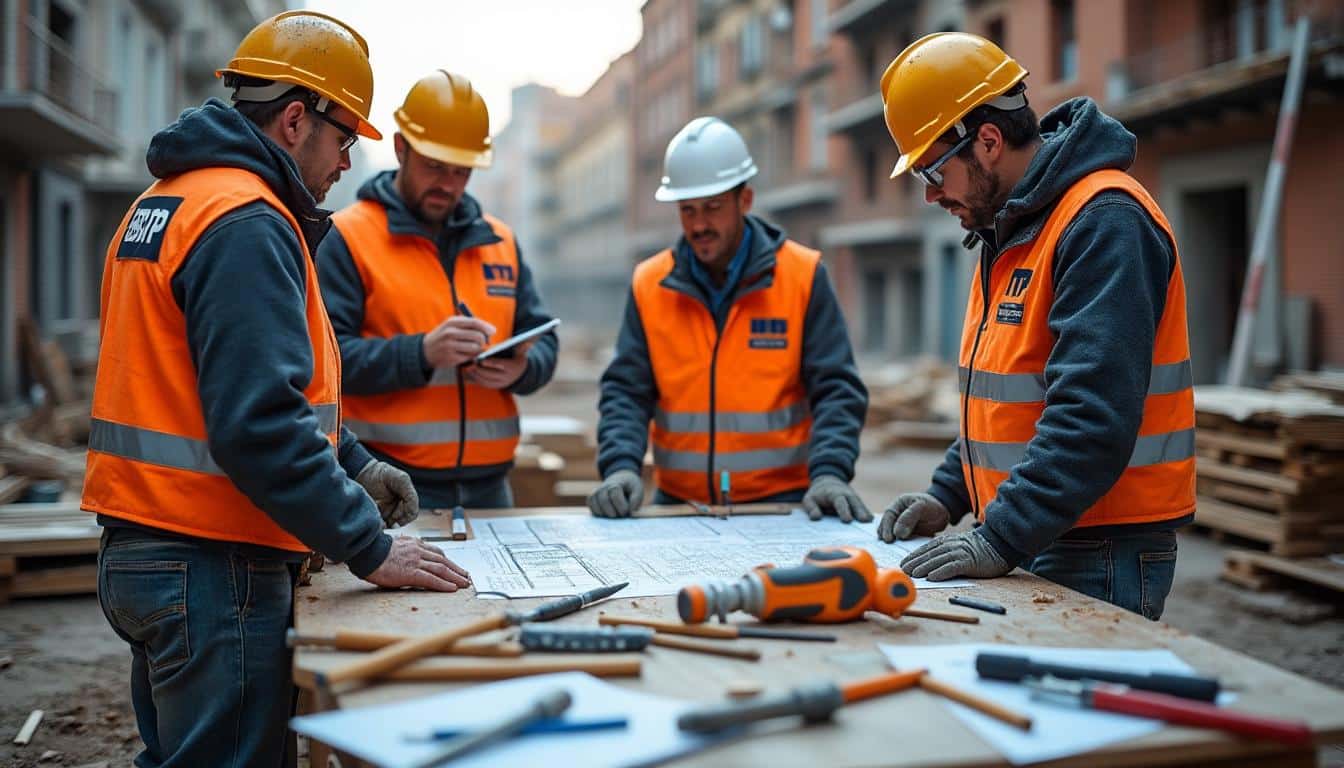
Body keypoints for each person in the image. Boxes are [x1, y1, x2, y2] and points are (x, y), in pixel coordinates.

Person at [83, 13, 469, 766]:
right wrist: (366, 543)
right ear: (297, 120)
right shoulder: (246, 223)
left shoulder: (166, 203)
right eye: (343, 137)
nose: (346, 160)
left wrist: (353, 464)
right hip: (211, 562)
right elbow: (257, 425)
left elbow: (220, 388)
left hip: (149, 551)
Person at [873, 33, 1194, 620]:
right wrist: (949, 493)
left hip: (1099, 547)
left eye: (933, 171)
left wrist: (997, 537)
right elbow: (1006, 401)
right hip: (1042, 531)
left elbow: (1090, 416)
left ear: (988, 141)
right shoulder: (1009, 232)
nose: (930, 195)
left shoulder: (1104, 222)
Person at [591, 117, 869, 520]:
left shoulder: (802, 276)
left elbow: (837, 390)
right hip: (679, 506)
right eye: (687, 210)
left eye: (713, 208)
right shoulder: (650, 283)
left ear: (745, 200)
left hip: (785, 505)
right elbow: (626, 391)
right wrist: (620, 467)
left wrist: (830, 473)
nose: (700, 224)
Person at [318, 70, 557, 511]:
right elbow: (326, 366)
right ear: (401, 148)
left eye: (461, 171)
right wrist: (422, 353)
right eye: (434, 166)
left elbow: (544, 339)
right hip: (391, 487)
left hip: (492, 490)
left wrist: (522, 369)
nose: (447, 183)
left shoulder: (500, 241)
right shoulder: (348, 237)